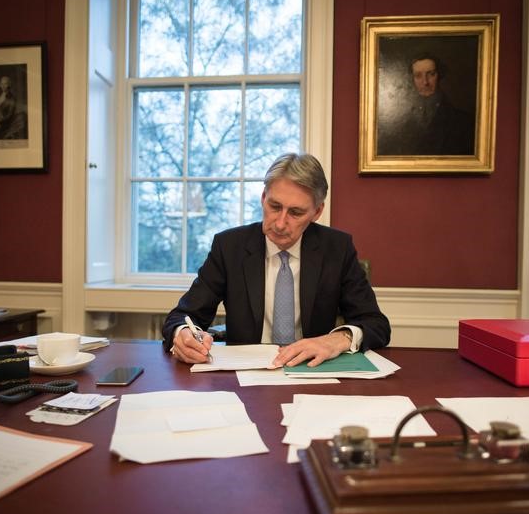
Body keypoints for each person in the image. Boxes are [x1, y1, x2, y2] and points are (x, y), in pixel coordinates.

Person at [162, 152, 390, 368]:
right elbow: (182, 316)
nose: (280, 223)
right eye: (274, 206)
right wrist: (181, 333)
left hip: (311, 371)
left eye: (296, 213)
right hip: (244, 374)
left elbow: (376, 324)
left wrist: (336, 340)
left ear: (317, 212)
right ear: (263, 198)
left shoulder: (336, 249)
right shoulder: (230, 247)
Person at [378, 53, 474, 156]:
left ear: (440, 75)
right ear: (412, 79)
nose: (425, 82)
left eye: (431, 74)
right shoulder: (397, 119)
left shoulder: (463, 121)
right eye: (418, 76)